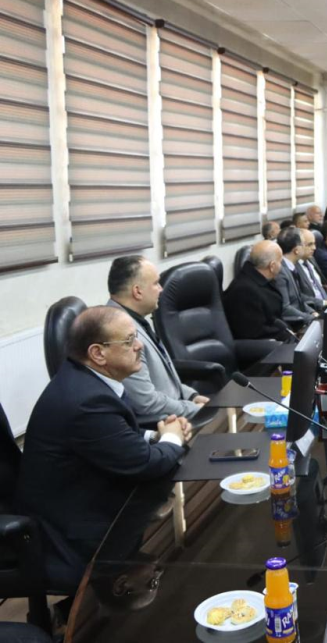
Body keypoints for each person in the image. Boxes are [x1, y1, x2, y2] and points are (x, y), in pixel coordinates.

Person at [15, 307, 190, 574]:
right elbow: (146, 464)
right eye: (129, 340)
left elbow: (115, 434)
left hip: (89, 501)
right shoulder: (87, 401)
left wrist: (157, 435)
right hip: (76, 535)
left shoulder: (92, 382)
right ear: (98, 353)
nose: (140, 345)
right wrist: (172, 438)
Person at [106, 256, 209, 426]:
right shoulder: (120, 332)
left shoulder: (134, 319)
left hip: (177, 412)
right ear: (137, 291)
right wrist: (193, 408)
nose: (161, 289)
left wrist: (191, 396)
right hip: (164, 425)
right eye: (156, 283)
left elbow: (163, 380)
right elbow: (145, 402)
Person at [223, 240, 290, 340]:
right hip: (263, 346)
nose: (281, 266)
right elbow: (256, 332)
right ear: (272, 266)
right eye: (280, 262)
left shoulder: (261, 280)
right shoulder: (244, 292)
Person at [275, 227, 321, 327]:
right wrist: (310, 318)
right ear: (296, 250)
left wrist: (312, 312)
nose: (311, 247)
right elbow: (285, 308)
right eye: (303, 244)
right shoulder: (281, 271)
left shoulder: (291, 266)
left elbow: (298, 298)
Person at [296, 228, 327, 302]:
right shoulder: (293, 268)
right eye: (309, 244)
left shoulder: (311, 259)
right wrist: (323, 303)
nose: (314, 248)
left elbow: (322, 284)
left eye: (314, 244)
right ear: (298, 246)